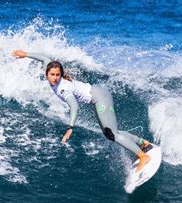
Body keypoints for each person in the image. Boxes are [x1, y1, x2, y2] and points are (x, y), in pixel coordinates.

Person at [11, 50, 153, 172]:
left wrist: (70, 127)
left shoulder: (63, 89)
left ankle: (143, 156)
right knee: (109, 133)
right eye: (52, 74)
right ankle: (143, 143)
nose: (54, 78)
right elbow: (45, 59)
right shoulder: (50, 72)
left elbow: (74, 106)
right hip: (99, 95)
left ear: (61, 74)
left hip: (100, 99)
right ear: (47, 73)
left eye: (57, 75)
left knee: (112, 133)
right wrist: (25, 54)